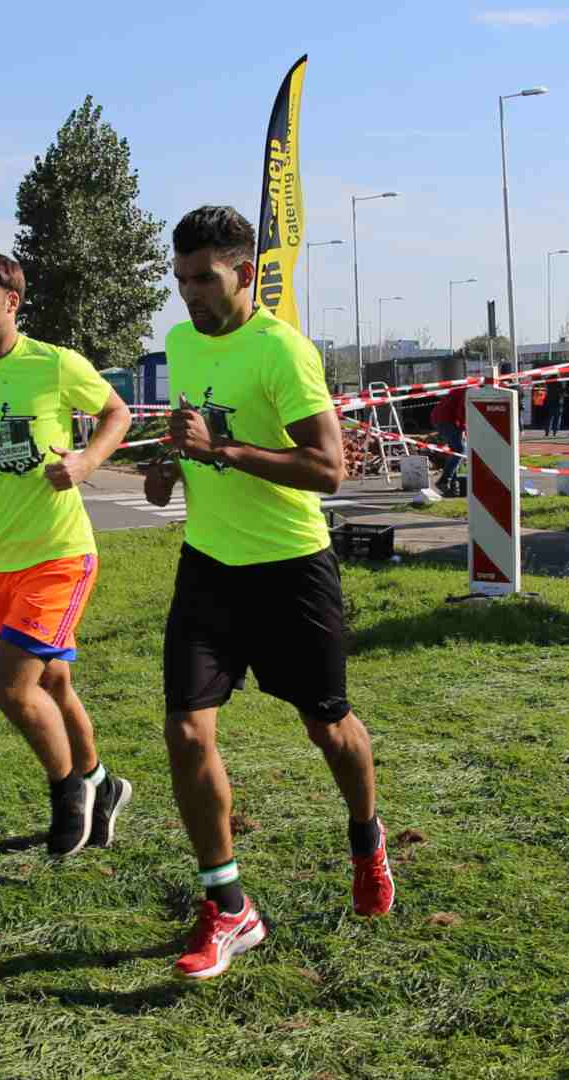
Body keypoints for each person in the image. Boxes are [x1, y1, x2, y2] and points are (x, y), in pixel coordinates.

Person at [144, 206, 393, 981]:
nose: (189, 293)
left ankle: (367, 837)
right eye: (180, 279)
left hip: (291, 569)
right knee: (187, 732)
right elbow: (191, 447)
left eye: (203, 278)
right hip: (208, 566)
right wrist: (172, 464)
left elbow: (328, 468)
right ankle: (228, 906)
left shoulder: (283, 351)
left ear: (245, 273)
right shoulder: (182, 343)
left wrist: (220, 448)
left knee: (330, 728)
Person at [0, 251, 136, 861]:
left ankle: (68, 792)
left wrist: (87, 461)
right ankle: (103, 783)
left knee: (12, 686)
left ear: (11, 301)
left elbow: (116, 412)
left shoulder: (54, 363)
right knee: (54, 682)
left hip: (59, 553)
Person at [429, 380, 469, 496]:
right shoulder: (470, 391)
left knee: (455, 452)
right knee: (460, 450)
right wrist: (463, 428)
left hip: (442, 418)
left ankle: (452, 488)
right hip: (446, 420)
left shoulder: (465, 388)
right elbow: (461, 411)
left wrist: (463, 428)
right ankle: (444, 481)